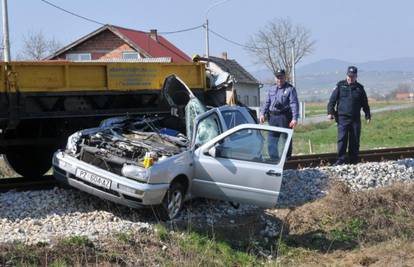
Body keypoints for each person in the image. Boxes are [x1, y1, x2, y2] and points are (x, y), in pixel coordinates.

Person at [327, 66, 371, 165]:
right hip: (342, 117)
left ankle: (353, 160)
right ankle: (340, 159)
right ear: (347, 75)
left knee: (354, 140)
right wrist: (330, 112)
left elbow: (365, 103)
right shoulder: (340, 86)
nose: (351, 78)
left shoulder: (360, 88)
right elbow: (332, 101)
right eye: (349, 76)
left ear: (356, 76)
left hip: (355, 118)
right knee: (342, 139)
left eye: (353, 76)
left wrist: (367, 115)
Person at [260, 69, 299, 160]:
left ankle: (287, 158)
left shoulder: (290, 89)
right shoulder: (272, 89)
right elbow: (267, 102)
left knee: (286, 138)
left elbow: (294, 104)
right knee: (272, 139)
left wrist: (294, 118)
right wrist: (262, 113)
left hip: (284, 117)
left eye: (281, 77)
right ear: (275, 78)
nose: (279, 79)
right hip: (272, 117)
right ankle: (274, 159)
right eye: (277, 77)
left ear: (284, 77)